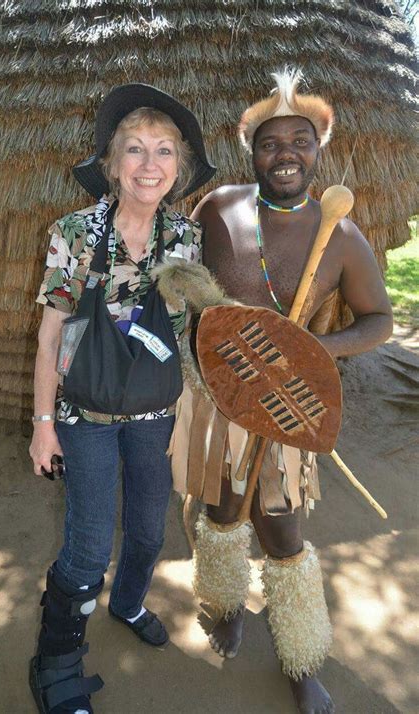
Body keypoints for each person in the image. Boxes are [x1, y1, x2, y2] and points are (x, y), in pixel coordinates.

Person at [170, 68, 393, 714]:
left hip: (286, 405)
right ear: (252, 152)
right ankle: (224, 603)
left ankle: (301, 657)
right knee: (220, 510)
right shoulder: (217, 209)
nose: (286, 153)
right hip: (214, 400)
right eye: (271, 142)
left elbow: (378, 320)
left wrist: (313, 352)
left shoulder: (342, 234)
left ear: (318, 150)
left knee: (282, 530)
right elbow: (186, 286)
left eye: (300, 140)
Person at [28, 83, 215, 714]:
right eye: (134, 149)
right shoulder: (75, 233)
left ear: (178, 167)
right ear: (113, 164)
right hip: (86, 417)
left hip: (156, 417)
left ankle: (130, 601)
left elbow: (194, 333)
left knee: (145, 529)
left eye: (164, 150)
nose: (149, 163)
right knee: (86, 544)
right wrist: (43, 424)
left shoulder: (186, 239)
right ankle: (55, 661)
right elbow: (54, 330)